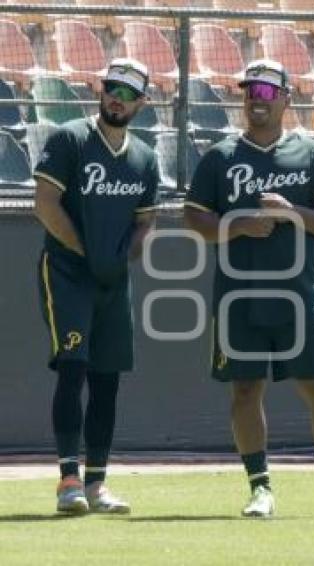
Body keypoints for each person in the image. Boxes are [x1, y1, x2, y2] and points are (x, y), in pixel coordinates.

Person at [183, 59, 314, 519]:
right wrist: (239, 224)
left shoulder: (312, 154)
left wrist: (291, 212)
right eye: (251, 91)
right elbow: (194, 218)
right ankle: (260, 489)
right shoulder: (220, 157)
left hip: (299, 295)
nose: (258, 99)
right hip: (239, 296)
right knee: (245, 391)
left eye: (268, 92)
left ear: (286, 99)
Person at [33, 58, 159, 514]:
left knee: (107, 381)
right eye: (111, 88)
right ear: (99, 90)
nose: (116, 99)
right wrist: (88, 254)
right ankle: (69, 479)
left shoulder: (145, 157)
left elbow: (146, 221)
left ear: (141, 103)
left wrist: (123, 258)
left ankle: (97, 484)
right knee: (73, 369)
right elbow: (45, 205)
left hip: (113, 282)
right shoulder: (69, 139)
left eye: (127, 94)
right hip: (68, 273)